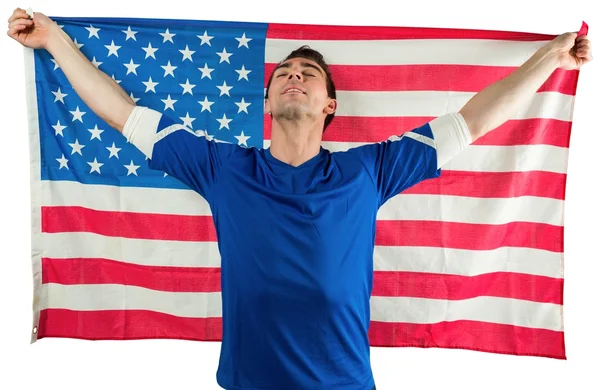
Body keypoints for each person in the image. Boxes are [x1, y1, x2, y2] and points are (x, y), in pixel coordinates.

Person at [7, 7, 593, 390]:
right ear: (267, 103)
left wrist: (551, 58)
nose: (293, 76)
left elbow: (472, 121)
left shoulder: (371, 170)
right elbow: (122, 113)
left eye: (308, 74)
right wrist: (54, 39)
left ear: (328, 107)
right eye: (284, 72)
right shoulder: (221, 167)